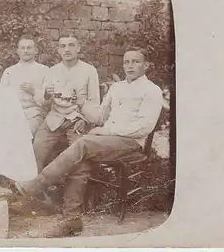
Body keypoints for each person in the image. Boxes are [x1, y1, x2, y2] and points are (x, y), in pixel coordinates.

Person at [14, 47, 164, 238]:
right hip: (108, 140)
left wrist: (106, 131)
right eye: (126, 62)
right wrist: (80, 102)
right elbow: (100, 117)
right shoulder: (117, 88)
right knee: (81, 159)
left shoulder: (152, 91)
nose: (130, 66)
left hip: (131, 143)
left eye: (135, 61)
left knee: (83, 144)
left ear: (146, 65)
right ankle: (71, 220)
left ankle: (39, 184)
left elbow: (144, 127)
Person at [33, 36, 101, 172]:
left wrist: (86, 121)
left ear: (78, 48)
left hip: (77, 120)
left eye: (71, 45)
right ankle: (35, 188)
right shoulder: (52, 71)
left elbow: (94, 103)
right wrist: (46, 94)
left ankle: (73, 192)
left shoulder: (89, 70)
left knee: (79, 160)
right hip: (54, 118)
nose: (67, 49)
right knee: (36, 150)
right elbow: (41, 101)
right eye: (63, 46)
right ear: (58, 50)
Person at [0, 36, 49, 136]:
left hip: (33, 114)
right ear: (18, 51)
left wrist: (34, 91)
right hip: (11, 113)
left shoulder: (44, 70)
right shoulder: (9, 71)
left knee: (22, 134)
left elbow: (47, 101)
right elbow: (1, 96)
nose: (26, 51)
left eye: (29, 48)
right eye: (23, 48)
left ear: (36, 51)